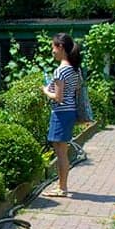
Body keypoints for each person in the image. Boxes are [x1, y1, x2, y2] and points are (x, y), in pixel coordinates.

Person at [41, 32, 82, 197]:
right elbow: (76, 89)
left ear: (61, 47)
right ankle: (62, 186)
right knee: (62, 151)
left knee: (60, 153)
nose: (52, 51)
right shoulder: (74, 69)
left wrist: (45, 91)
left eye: (53, 47)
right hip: (70, 112)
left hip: (61, 113)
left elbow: (58, 98)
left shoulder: (60, 71)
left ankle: (62, 188)